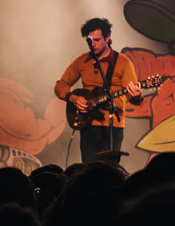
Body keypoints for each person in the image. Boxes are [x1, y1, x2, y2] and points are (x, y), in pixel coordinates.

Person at [54, 18, 143, 162]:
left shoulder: (123, 62)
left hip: (112, 126)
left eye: (96, 40)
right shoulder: (82, 61)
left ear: (107, 37)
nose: (92, 44)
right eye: (89, 40)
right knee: (88, 171)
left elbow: (133, 98)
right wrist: (73, 98)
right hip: (87, 124)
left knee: (109, 170)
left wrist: (137, 96)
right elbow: (60, 85)